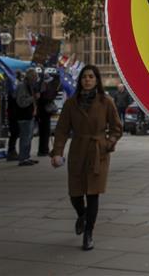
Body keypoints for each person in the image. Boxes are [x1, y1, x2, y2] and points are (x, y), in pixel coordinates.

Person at [51, 64, 122, 251]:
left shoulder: (106, 101)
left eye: (91, 77)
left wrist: (108, 143)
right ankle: (82, 215)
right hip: (78, 150)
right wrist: (57, 152)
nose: (87, 80)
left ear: (96, 80)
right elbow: (62, 130)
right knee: (75, 193)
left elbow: (116, 127)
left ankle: (88, 233)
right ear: (80, 80)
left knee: (92, 194)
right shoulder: (71, 103)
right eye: (84, 77)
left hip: (98, 152)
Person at [15, 69, 39, 166]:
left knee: (29, 137)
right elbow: (21, 102)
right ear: (30, 77)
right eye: (34, 77)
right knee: (25, 137)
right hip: (24, 116)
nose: (35, 80)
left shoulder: (29, 86)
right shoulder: (22, 86)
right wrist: (33, 98)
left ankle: (26, 157)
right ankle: (23, 158)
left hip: (29, 115)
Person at [36, 69, 61, 156]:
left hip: (43, 113)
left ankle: (43, 149)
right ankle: (43, 150)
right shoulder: (43, 88)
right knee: (45, 132)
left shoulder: (42, 88)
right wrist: (54, 94)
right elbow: (46, 99)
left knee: (44, 132)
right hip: (44, 113)